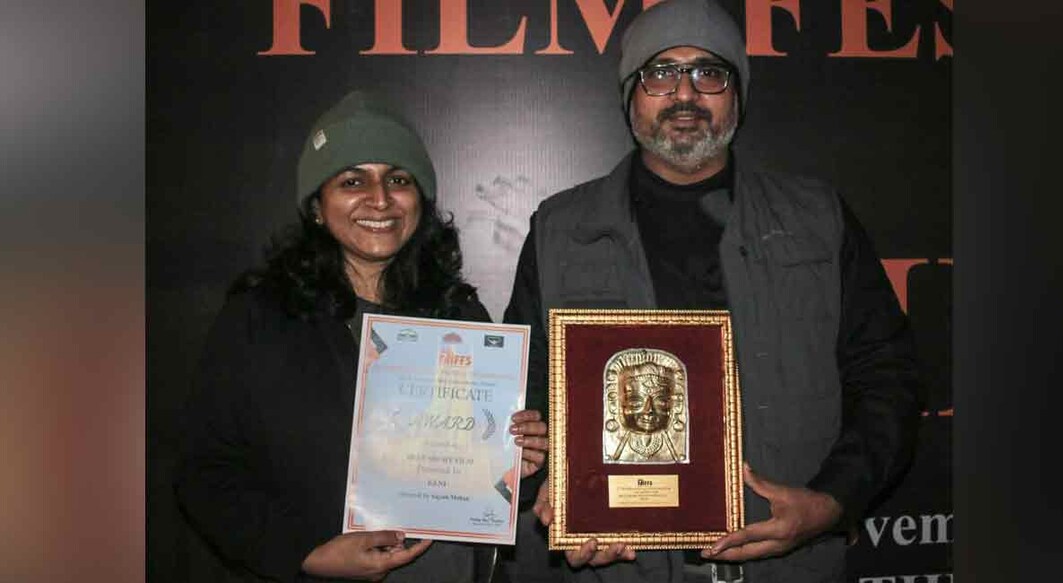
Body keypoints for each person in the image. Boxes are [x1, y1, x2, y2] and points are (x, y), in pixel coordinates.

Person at [501, 1, 925, 581]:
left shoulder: (818, 219)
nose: (685, 93)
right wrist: (559, 498)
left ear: (737, 94)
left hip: (789, 569)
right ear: (631, 94)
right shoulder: (559, 229)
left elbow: (888, 375)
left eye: (709, 73)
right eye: (660, 72)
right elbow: (524, 400)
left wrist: (831, 502)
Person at [175, 90, 548, 583]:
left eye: (398, 179)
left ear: (421, 201)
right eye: (353, 180)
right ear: (316, 206)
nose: (380, 199)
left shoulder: (461, 315)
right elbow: (206, 474)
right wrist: (305, 553)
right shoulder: (260, 318)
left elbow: (485, 477)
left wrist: (517, 463)